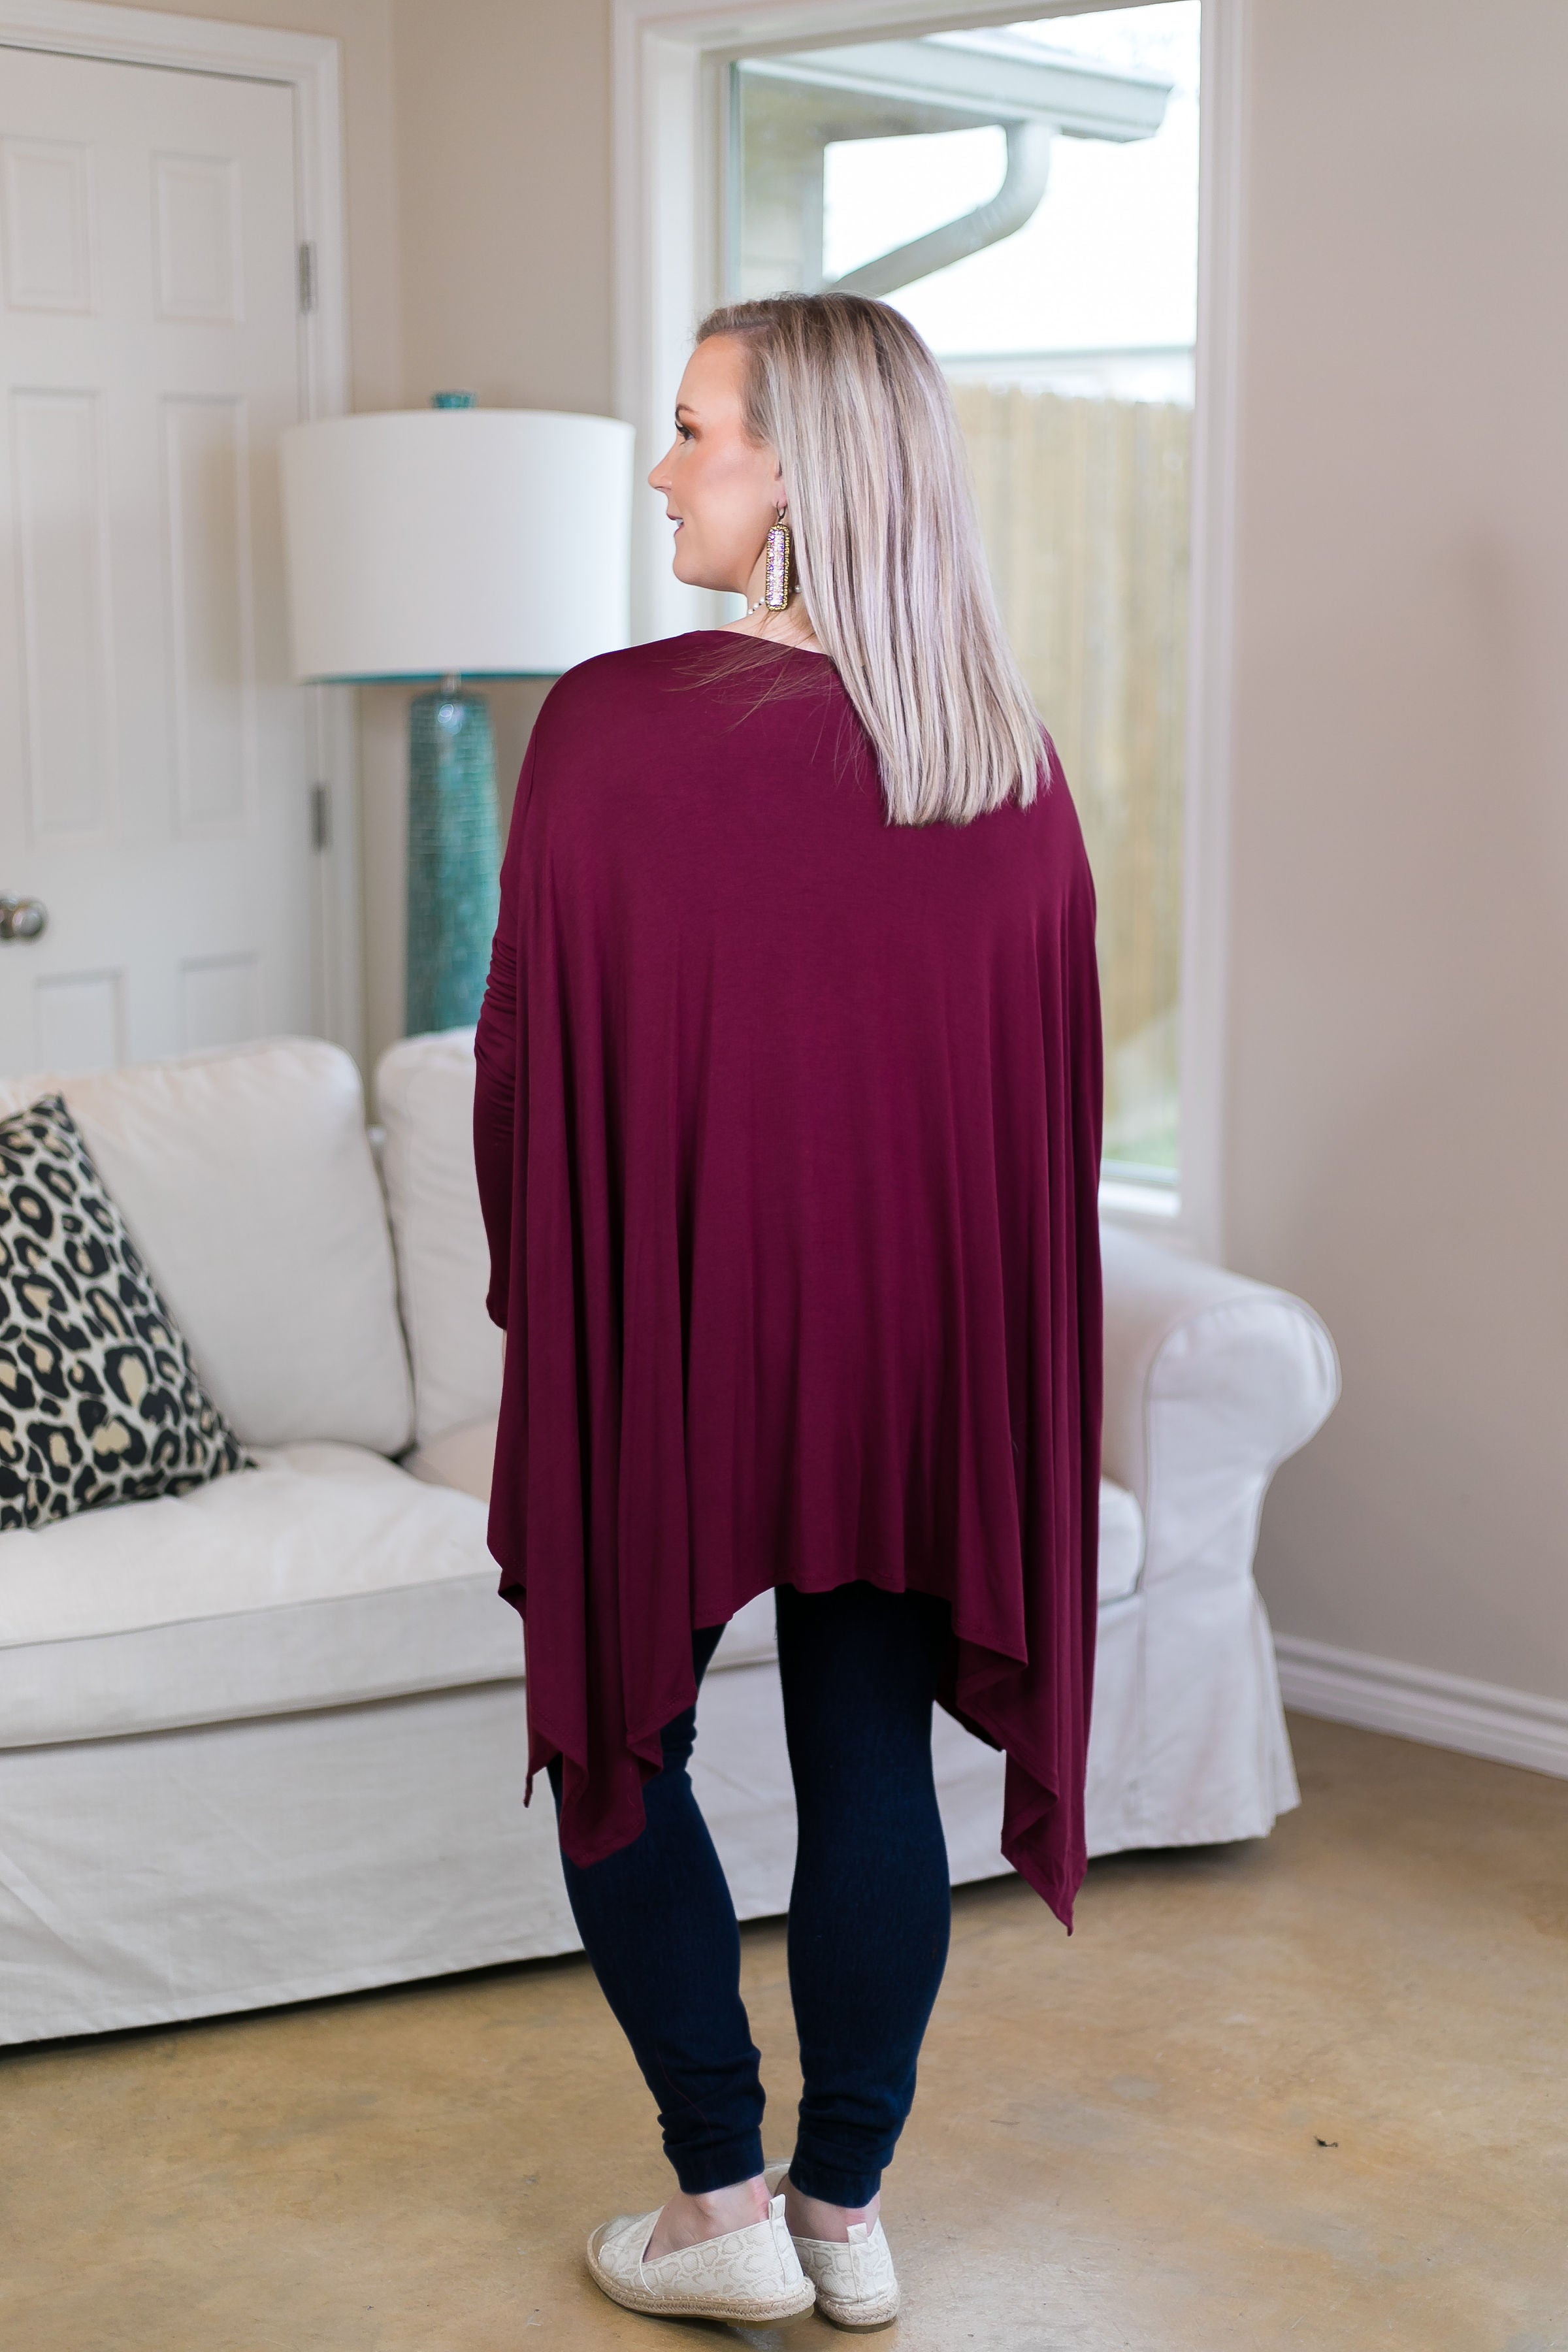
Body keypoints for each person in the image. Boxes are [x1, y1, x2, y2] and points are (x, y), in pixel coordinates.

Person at [473, 292, 1103, 2331]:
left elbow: (523, 1069)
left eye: (696, 430)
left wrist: (562, 1299)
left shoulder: (609, 725)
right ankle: (843, 2213)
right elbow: (1044, 1130)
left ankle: (720, 2203)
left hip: (679, 1331)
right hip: (912, 1357)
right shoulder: (1009, 765)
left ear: (802, 469)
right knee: (870, 1761)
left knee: (620, 1737)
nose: (665, 472)